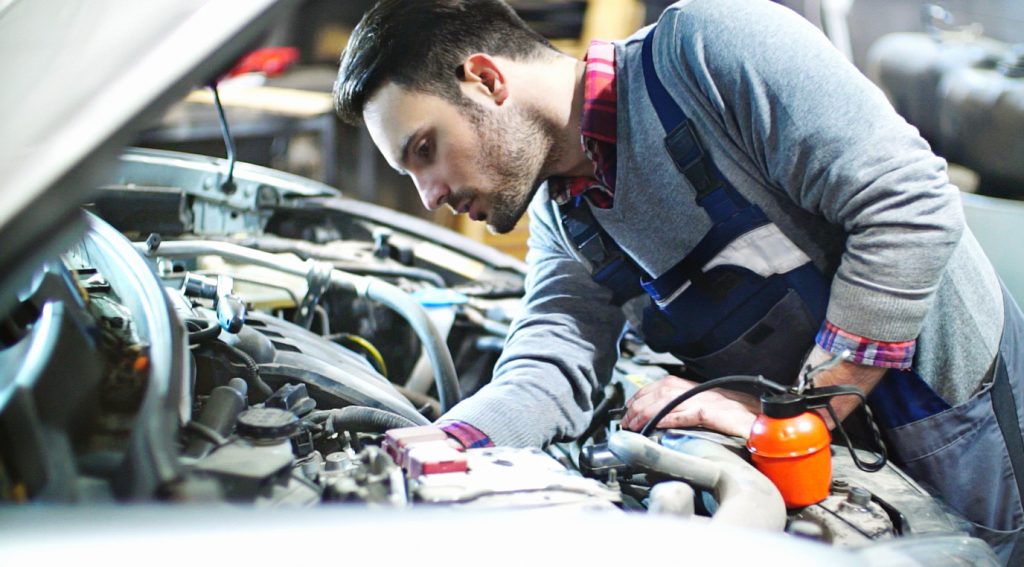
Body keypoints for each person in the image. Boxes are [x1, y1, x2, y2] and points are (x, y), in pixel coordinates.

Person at [334, 0, 1024, 559]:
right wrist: (443, 445)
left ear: (484, 79)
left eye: (424, 149)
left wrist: (797, 411)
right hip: (822, 459)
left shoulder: (709, 51)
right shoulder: (567, 218)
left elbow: (907, 205)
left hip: (953, 411)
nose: (428, 195)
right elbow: (550, 367)